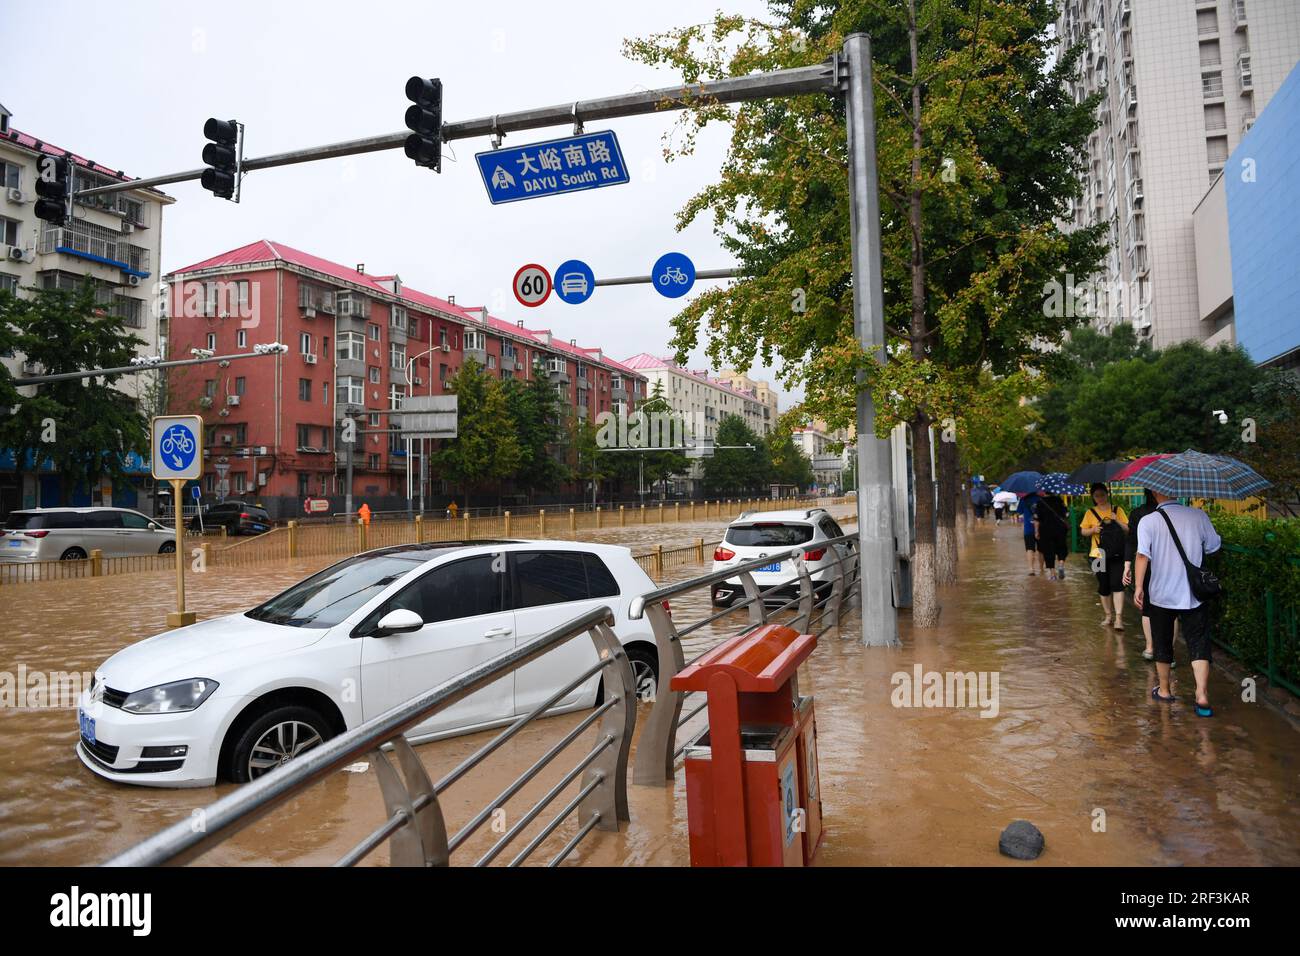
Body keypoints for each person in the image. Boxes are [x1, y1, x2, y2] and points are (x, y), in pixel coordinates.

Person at [1134, 493, 1222, 717]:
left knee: (1162, 641)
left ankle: (1164, 691)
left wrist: (1138, 587)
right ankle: (1201, 694)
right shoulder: (1198, 515)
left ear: (1155, 493)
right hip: (1193, 594)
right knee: (1198, 641)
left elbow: (1143, 556)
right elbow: (1213, 546)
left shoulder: (1149, 521)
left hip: (1161, 595)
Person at [1080, 483, 1128, 629]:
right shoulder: (1090, 512)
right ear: (1093, 497)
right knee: (1103, 585)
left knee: (1117, 584)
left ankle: (1119, 618)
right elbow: (1083, 532)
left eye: (1102, 494)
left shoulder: (1117, 510)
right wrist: (1093, 529)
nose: (1100, 498)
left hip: (1117, 552)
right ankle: (1108, 615)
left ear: (1107, 494)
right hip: (1097, 553)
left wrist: (1117, 520)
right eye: (1096, 496)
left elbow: (1127, 529)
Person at [1123, 489, 1159, 661]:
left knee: (1147, 607)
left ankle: (1150, 647)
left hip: (1145, 567)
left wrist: (1127, 566)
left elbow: (1132, 542)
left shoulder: (1138, 514)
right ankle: (1169, 651)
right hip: (1170, 568)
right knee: (1171, 611)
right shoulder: (1175, 513)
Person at [1034, 492, 1070, 580]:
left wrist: (1036, 532)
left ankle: (1053, 575)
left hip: (1045, 530)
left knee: (1048, 551)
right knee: (1062, 548)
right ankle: (1061, 565)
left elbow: (1036, 519)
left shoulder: (1040, 502)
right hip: (1060, 529)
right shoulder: (1059, 500)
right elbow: (1067, 514)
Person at [1016, 492, 1043, 575]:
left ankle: (1031, 569)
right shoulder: (1041, 499)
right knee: (1041, 550)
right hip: (1041, 528)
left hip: (1028, 528)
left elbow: (1019, 512)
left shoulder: (1023, 499)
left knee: (1029, 549)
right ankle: (1041, 569)